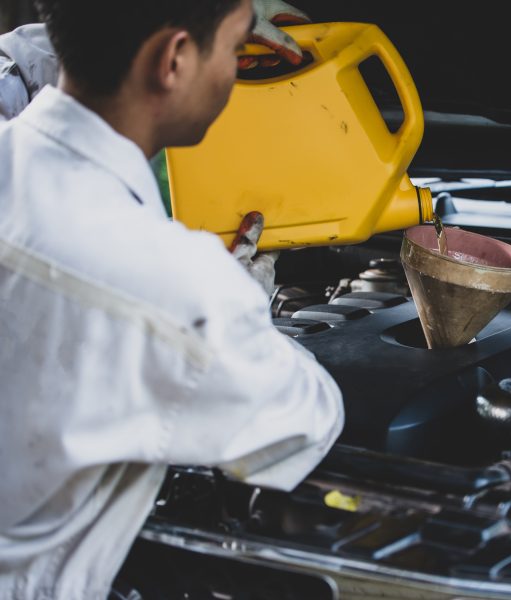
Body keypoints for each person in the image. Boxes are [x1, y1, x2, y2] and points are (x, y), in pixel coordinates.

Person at [0, 1, 344, 597]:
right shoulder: (185, 288)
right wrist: (241, 306)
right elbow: (305, 423)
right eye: (234, 48)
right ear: (175, 59)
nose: (236, 69)